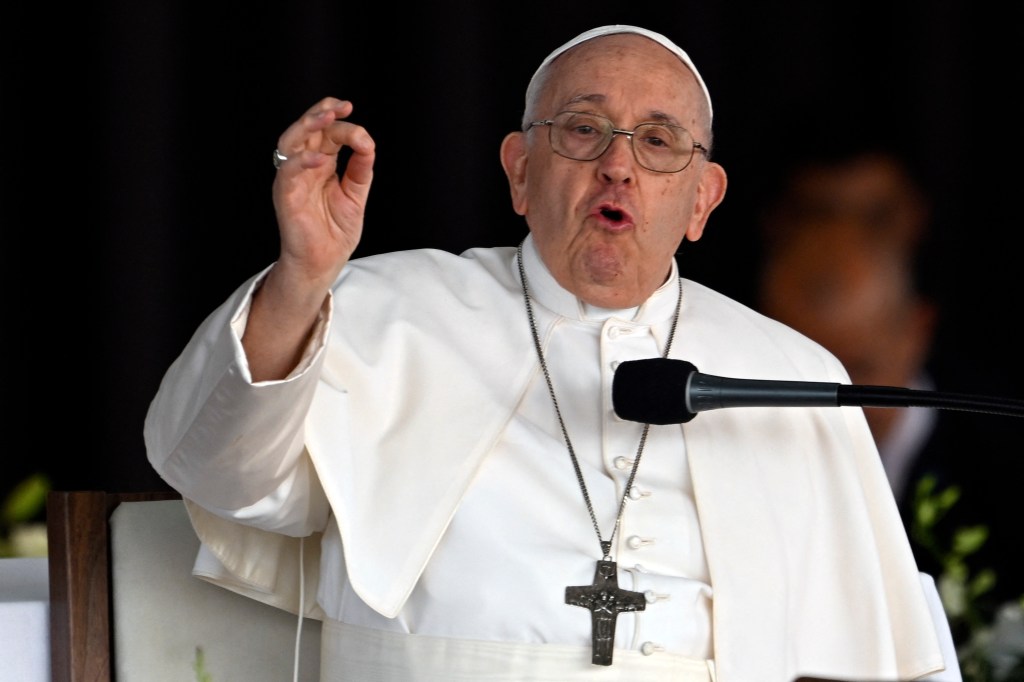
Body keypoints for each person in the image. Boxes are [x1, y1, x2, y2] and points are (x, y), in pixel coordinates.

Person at [144, 25, 961, 681]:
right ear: (520, 173)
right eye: (583, 130)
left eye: (658, 140)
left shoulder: (795, 375)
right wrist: (302, 277)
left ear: (702, 200)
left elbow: (876, 661)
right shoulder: (375, 312)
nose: (618, 166)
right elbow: (219, 474)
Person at [755, 146, 1023, 650]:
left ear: (916, 331)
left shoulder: (1005, 455)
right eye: (799, 378)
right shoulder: (727, 445)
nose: (834, 406)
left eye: (860, 372)